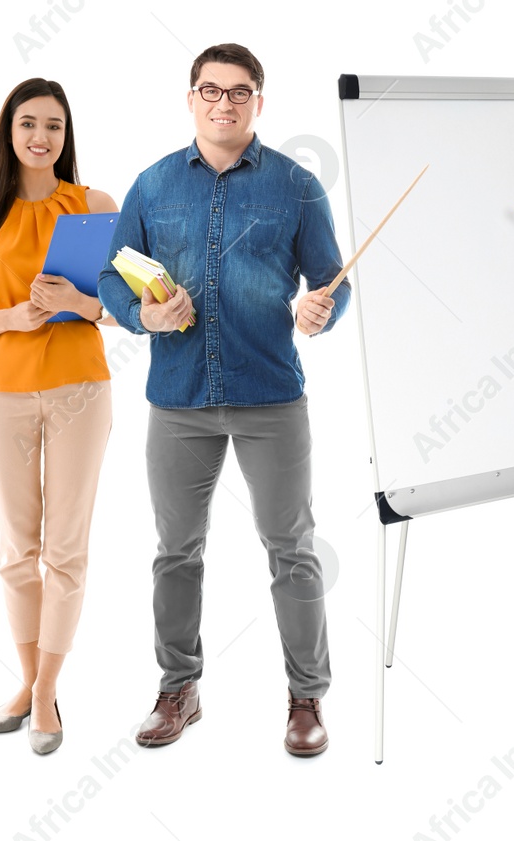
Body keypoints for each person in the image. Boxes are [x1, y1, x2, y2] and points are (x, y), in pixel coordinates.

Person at [98, 43, 349, 756]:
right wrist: (142, 315)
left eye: (239, 93)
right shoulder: (150, 186)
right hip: (177, 398)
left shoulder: (298, 187)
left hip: (271, 395)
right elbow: (115, 279)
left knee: (292, 549)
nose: (224, 103)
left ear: (258, 104)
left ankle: (307, 697)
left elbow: (335, 279)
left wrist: (322, 308)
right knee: (176, 550)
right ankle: (179, 686)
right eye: (211, 90)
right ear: (191, 98)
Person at [0, 78, 120, 754]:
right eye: (29, 124)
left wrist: (79, 298)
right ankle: (27, 676)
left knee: (66, 549)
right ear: (9, 134)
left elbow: (124, 308)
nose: (42, 137)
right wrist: (10, 316)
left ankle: (45, 691)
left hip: (80, 389)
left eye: (55, 127)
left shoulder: (95, 206)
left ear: (67, 138)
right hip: (4, 390)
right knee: (18, 550)